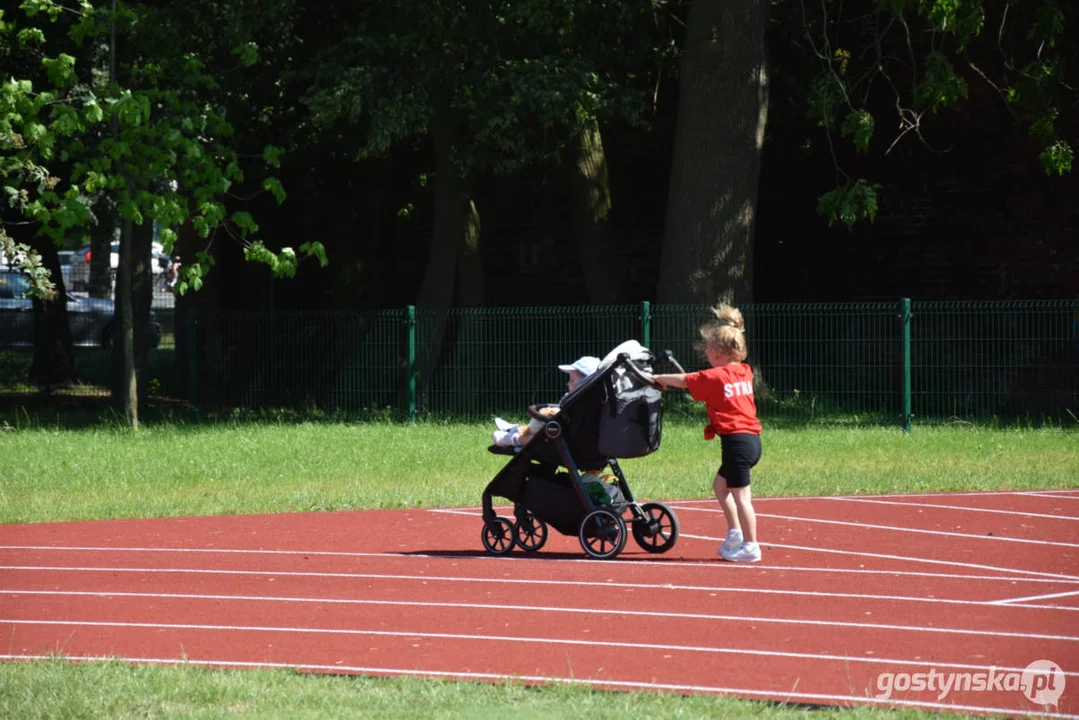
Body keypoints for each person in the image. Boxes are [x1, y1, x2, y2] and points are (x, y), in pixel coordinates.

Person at [653, 304, 763, 562]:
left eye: (709, 351)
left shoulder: (717, 376)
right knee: (720, 486)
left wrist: (657, 377)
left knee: (742, 496)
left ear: (716, 352)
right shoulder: (744, 371)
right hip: (751, 441)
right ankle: (736, 533)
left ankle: (751, 546)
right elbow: (698, 381)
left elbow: (687, 380)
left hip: (736, 442)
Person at [492, 355, 601, 448]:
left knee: (547, 429)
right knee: (547, 427)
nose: (568, 384)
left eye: (572, 380)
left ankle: (514, 439)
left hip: (563, 441)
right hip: (582, 442)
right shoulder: (596, 401)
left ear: (586, 383)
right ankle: (514, 429)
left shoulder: (578, 401)